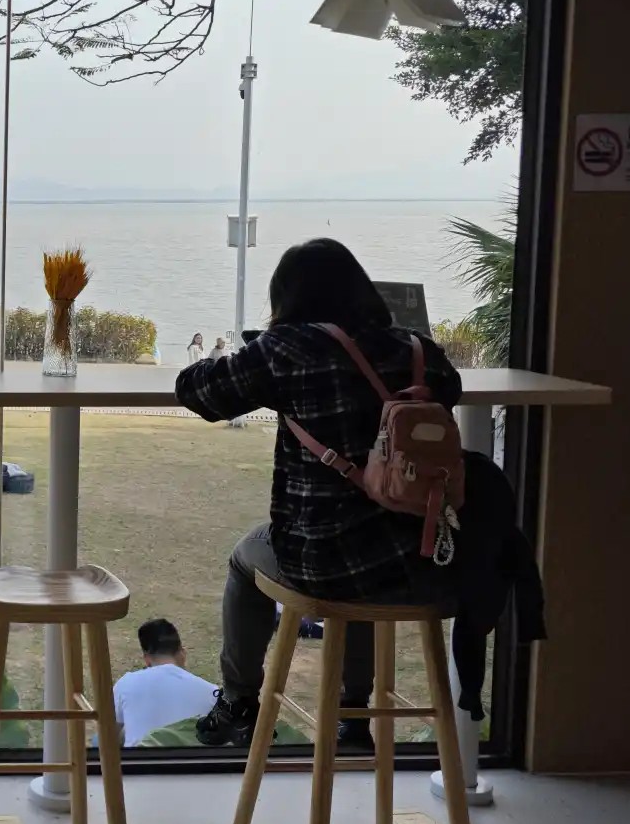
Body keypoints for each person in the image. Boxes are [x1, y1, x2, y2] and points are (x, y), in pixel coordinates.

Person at [178, 239, 486, 750]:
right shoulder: (419, 352)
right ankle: (353, 715)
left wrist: (259, 348)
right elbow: (447, 388)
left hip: (325, 562)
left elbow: (197, 391)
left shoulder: (289, 349)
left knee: (246, 559)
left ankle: (237, 700)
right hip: (427, 560)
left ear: (287, 298)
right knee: (369, 549)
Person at [111, 618, 220, 746]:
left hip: (142, 758)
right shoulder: (212, 692)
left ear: (147, 659)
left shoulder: (126, 684)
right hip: (192, 758)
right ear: (182, 653)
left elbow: (108, 734)